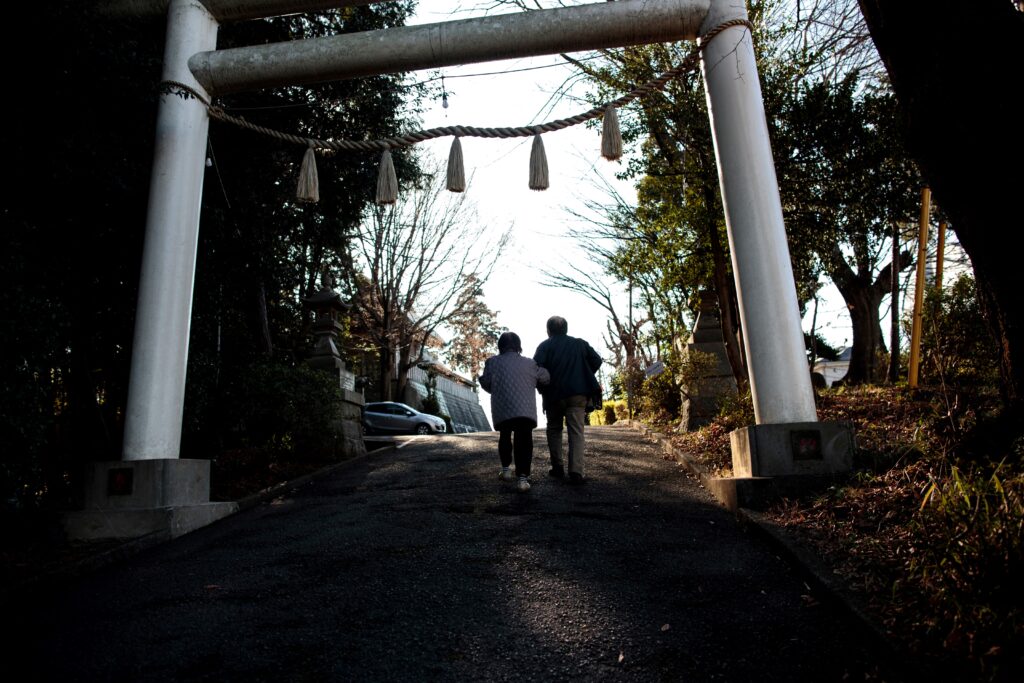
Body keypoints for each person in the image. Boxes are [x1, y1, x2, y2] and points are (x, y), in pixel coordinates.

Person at [533, 316, 602, 484]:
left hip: (553, 395)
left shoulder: (544, 346)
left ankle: (557, 467)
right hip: (577, 393)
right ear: (566, 329)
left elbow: (536, 370)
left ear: (548, 330)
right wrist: (583, 372)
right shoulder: (579, 344)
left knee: (554, 429)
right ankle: (576, 471)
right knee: (576, 431)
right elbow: (596, 360)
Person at [478, 331, 550, 493]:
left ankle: (506, 471)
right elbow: (544, 378)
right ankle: (523, 480)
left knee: (505, 436)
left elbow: (487, 383)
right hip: (525, 410)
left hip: (503, 408)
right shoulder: (530, 363)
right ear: (518, 346)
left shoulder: (492, 362)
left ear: (500, 346)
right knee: (524, 440)